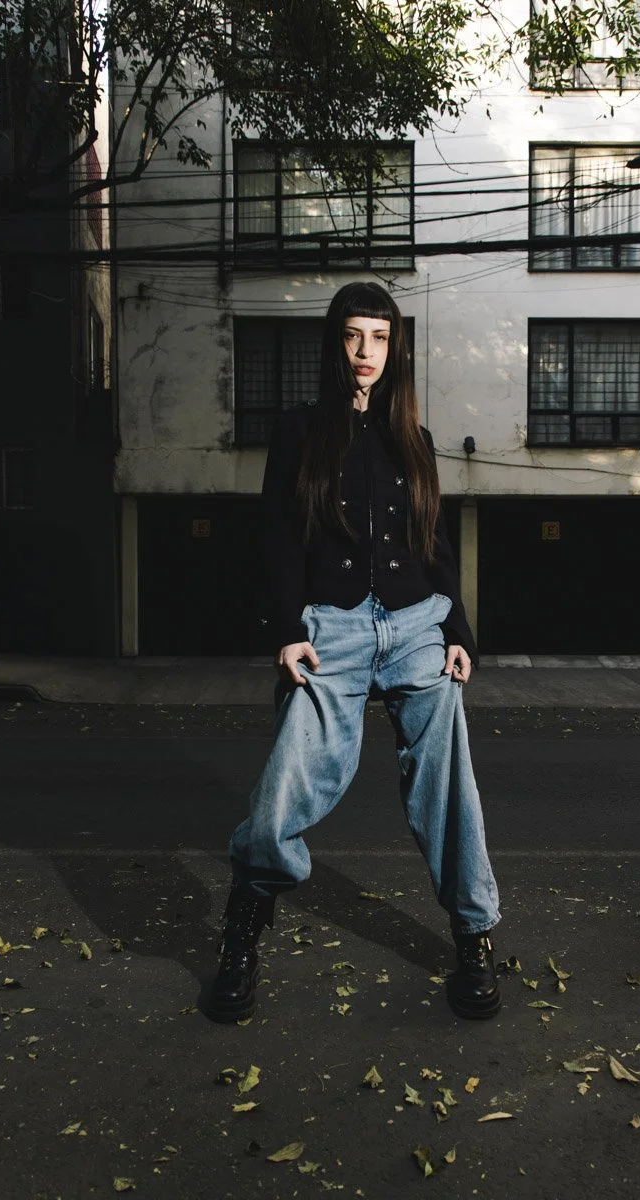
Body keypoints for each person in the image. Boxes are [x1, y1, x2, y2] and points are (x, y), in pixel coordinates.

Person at [205, 281, 501, 1024]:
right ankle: (242, 932)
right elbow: (275, 536)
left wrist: (457, 633)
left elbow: (432, 542)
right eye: (353, 336)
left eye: (380, 337)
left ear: (394, 346)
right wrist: (285, 629)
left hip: (413, 628)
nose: (367, 352)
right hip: (330, 631)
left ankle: (473, 937)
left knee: (448, 786)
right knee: (284, 791)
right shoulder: (300, 430)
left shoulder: (414, 438)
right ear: (334, 343)